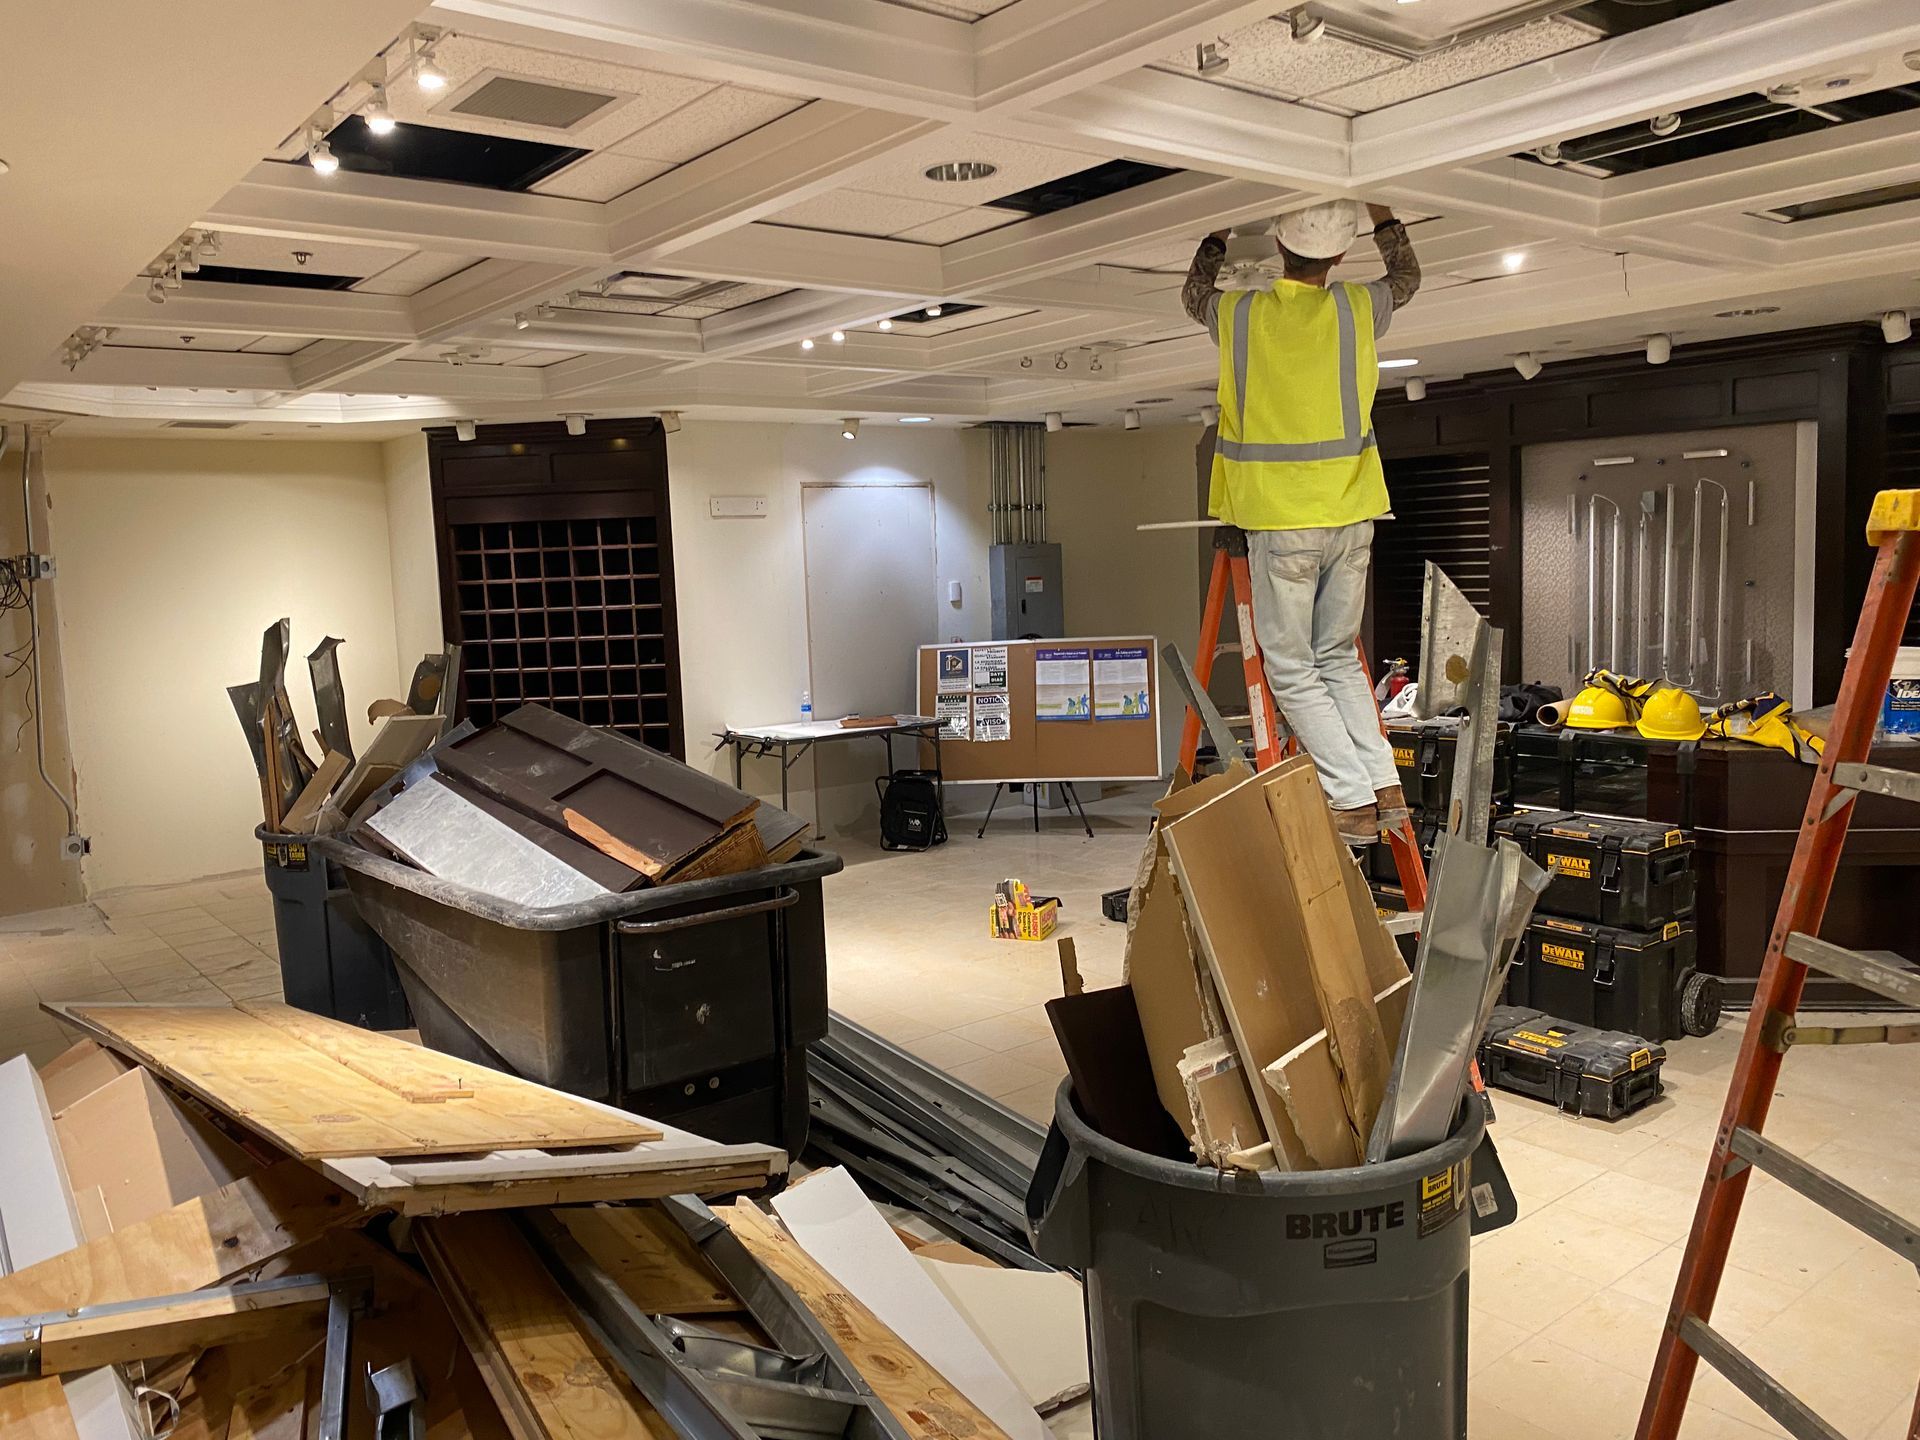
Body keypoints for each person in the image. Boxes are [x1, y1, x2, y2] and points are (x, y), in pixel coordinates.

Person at [1182, 200, 1422, 845]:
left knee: (1291, 666)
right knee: (1336, 657)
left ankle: (1349, 799)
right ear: (1340, 258)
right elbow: (1406, 280)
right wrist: (1385, 220)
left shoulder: (1241, 314)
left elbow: (1194, 295)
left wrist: (1215, 235)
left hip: (1281, 520)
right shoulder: (1355, 308)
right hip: (1352, 512)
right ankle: (1383, 786)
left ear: (1280, 253)